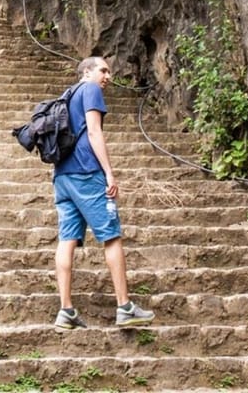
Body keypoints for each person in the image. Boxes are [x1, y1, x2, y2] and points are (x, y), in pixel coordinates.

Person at [52, 56, 155, 328]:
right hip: (87, 172)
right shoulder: (90, 89)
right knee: (111, 235)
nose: (108, 76)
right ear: (87, 72)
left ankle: (66, 311)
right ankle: (125, 307)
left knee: (67, 239)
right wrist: (109, 172)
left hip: (62, 176)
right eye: (103, 70)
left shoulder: (67, 94)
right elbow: (94, 132)